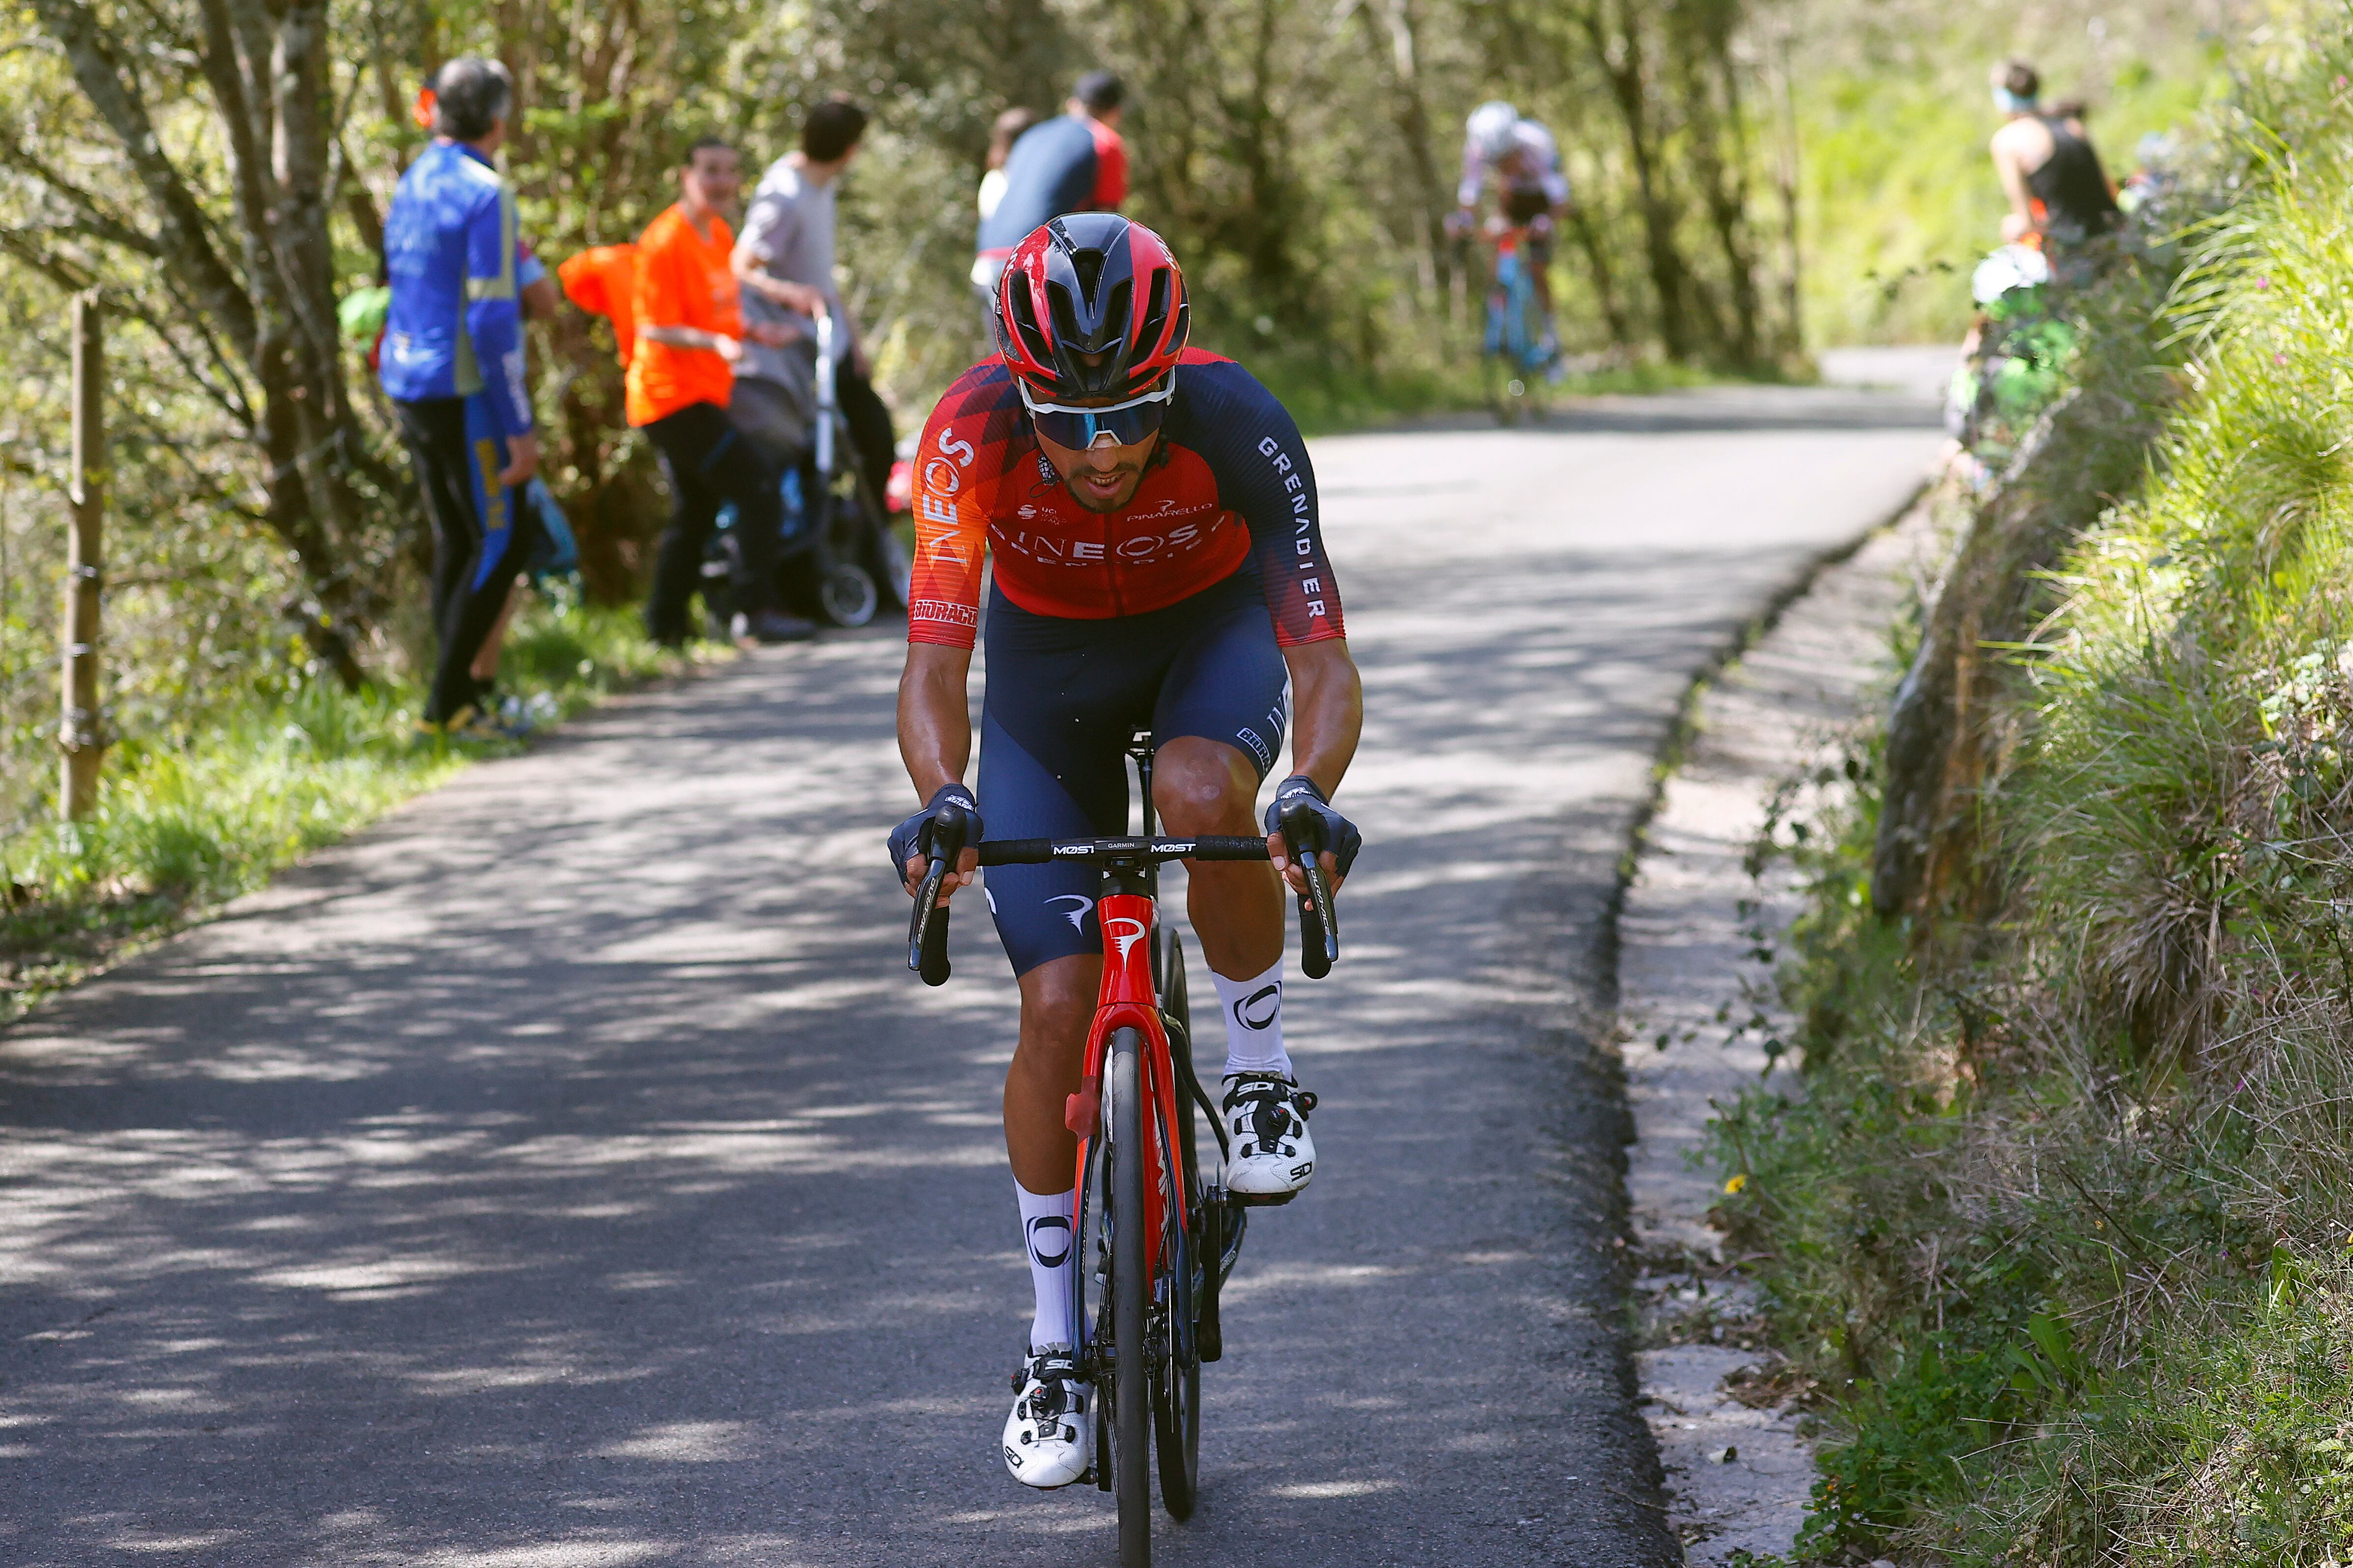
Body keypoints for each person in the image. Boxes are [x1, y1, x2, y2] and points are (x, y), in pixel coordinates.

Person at [889, 214, 1365, 1490]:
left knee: (1204, 785)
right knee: (1052, 1009)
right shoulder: (968, 432)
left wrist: (1309, 788)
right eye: (1067, 418)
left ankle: (1258, 1065)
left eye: (1132, 411)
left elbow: (1318, 655)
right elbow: (937, 661)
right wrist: (943, 797)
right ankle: (1053, 1346)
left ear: (1177, 372)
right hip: (1046, 678)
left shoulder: (1241, 421)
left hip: (1206, 636)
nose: (1101, 450)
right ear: (1019, 387)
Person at [379, 56, 541, 735]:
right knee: (506, 539)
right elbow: (492, 318)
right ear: (499, 120)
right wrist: (519, 425)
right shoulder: (485, 191)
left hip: (407, 381)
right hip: (462, 388)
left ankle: (454, 702)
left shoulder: (411, 179)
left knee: (459, 538)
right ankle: (446, 706)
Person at [628, 135, 817, 647]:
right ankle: (753, 612)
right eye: (711, 170)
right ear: (685, 176)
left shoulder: (715, 233)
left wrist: (758, 334)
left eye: (731, 172)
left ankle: (665, 628)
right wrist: (715, 342)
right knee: (757, 488)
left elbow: (720, 311)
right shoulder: (664, 241)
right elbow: (653, 328)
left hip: (702, 395)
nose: (723, 182)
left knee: (696, 512)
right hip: (670, 399)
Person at [732, 100, 895, 506]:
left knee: (876, 441)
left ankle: (864, 547)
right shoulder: (785, 195)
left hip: (833, 342)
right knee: (823, 453)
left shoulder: (821, 185)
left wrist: (854, 341)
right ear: (851, 149)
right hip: (799, 351)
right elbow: (741, 267)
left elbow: (821, 274)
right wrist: (791, 295)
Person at [971, 72, 1127, 312]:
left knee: (1008, 350)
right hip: (1037, 264)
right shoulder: (1105, 142)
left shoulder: (1033, 137)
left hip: (988, 262)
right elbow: (1107, 224)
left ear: (1072, 104)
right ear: (1115, 112)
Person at [1451, 99, 1573, 367]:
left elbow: (1561, 201)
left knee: (1538, 269)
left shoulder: (1538, 144)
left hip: (1541, 200)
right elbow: (1470, 190)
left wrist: (1546, 223)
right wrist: (1463, 221)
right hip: (1510, 202)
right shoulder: (1476, 149)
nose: (1504, 165)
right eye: (1497, 161)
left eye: (1507, 158)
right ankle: (1500, 322)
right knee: (1499, 248)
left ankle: (1552, 342)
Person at [1988, 61, 2120, 253]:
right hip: (2119, 237)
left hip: (2076, 255)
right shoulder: (2071, 124)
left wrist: (2011, 228)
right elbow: (2109, 190)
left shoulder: (2007, 143)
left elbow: (2027, 223)